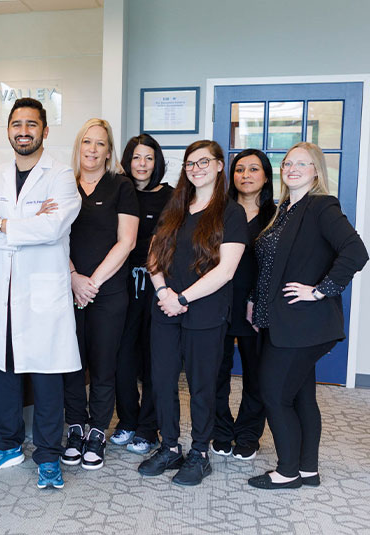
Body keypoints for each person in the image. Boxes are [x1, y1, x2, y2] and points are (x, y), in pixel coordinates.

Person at [0, 98, 81, 489]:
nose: (23, 131)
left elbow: (53, 229)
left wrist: (3, 223)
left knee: (47, 374)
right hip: (1, 288)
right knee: (2, 369)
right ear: (8, 131)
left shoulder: (61, 175)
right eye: (16, 124)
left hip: (42, 291)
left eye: (31, 124)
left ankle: (49, 454)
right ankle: (7, 443)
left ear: (45, 131)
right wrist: (23, 226)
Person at [247, 142, 367, 489]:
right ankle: (307, 469)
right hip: (283, 321)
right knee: (301, 395)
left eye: (303, 163)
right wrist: (256, 300)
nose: (293, 168)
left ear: (316, 170)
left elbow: (356, 252)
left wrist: (320, 290)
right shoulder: (284, 209)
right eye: (287, 163)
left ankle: (287, 472)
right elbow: (271, 266)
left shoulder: (320, 206)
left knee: (273, 393)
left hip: (304, 322)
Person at [139, 140, 247, 486]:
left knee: (202, 387)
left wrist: (181, 298)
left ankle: (200, 453)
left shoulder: (231, 213)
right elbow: (154, 258)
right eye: (190, 163)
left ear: (219, 166)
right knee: (163, 381)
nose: (196, 168)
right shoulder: (176, 207)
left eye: (204, 162)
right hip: (165, 309)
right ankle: (170, 446)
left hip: (205, 312)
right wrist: (162, 292)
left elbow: (226, 270)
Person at [61, 119, 138, 470]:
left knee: (104, 364)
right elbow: (54, 237)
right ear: (79, 146)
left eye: (100, 144)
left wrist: (92, 283)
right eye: (87, 142)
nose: (92, 149)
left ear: (109, 151)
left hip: (108, 292)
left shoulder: (121, 186)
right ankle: (76, 426)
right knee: (71, 363)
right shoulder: (63, 184)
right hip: (67, 287)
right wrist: (75, 277)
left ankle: (97, 432)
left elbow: (128, 241)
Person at [110, 134, 173, 455]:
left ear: (157, 162)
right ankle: (128, 421)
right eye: (136, 157)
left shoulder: (172, 197)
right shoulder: (118, 191)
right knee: (121, 358)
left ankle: (149, 428)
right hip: (119, 285)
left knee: (153, 360)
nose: (142, 164)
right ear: (127, 160)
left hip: (157, 287)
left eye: (148, 158)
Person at [209, 149, 274, 461]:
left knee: (256, 374)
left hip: (257, 308)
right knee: (215, 373)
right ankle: (221, 431)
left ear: (266, 175)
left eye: (253, 169)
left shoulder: (277, 214)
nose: (246, 175)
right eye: (239, 169)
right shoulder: (219, 211)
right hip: (219, 301)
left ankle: (248, 434)